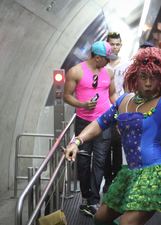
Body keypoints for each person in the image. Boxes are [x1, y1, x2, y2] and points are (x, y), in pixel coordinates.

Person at [64, 21, 161, 225]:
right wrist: (77, 141)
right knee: (100, 218)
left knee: (127, 224)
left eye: (154, 77)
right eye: (143, 77)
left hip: (154, 175)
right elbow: (99, 123)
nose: (148, 83)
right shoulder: (123, 101)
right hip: (129, 174)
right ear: (134, 77)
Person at [63, 40, 118, 216]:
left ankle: (94, 200)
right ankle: (85, 198)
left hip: (103, 123)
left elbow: (112, 94)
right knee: (84, 162)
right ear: (97, 57)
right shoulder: (76, 71)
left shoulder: (108, 72)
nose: (109, 61)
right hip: (83, 123)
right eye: (106, 58)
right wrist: (82, 104)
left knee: (100, 162)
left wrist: (122, 110)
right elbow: (66, 96)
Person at [103, 32, 130, 193]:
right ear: (107, 45)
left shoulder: (126, 66)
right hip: (104, 110)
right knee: (105, 145)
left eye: (117, 44)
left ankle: (118, 178)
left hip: (120, 109)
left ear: (121, 46)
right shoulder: (102, 65)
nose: (115, 47)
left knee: (118, 145)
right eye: (112, 44)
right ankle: (107, 179)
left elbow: (128, 89)